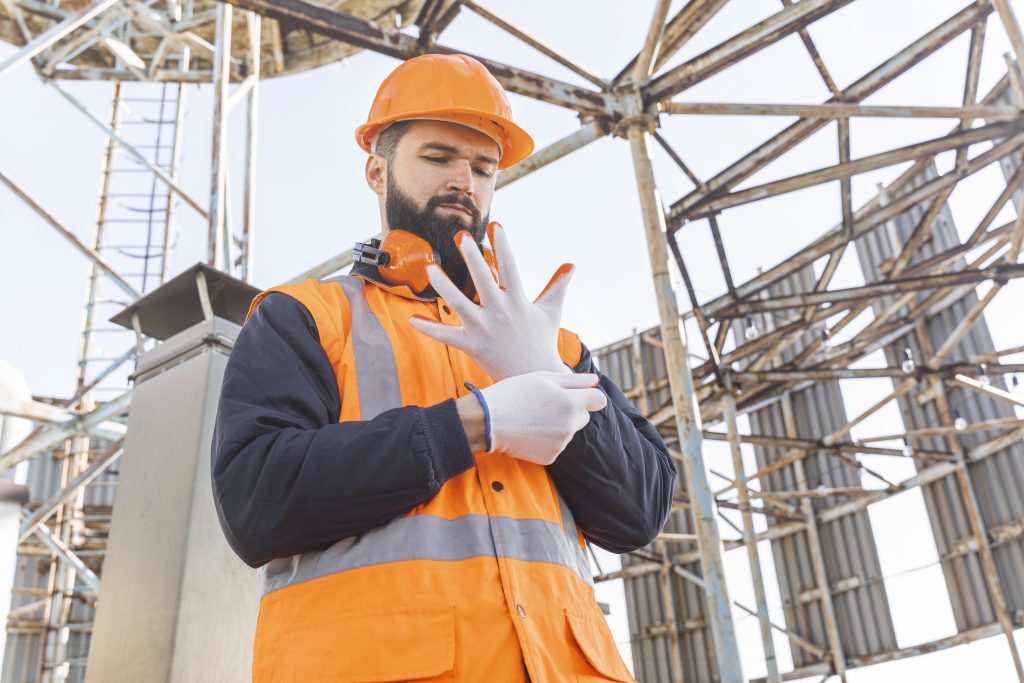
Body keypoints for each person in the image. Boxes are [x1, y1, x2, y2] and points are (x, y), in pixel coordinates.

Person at [211, 53, 676, 682]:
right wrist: (476, 423)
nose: (466, 180)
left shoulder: (552, 345)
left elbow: (640, 512)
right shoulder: (307, 317)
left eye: (484, 168)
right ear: (377, 172)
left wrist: (540, 370)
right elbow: (255, 502)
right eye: (438, 158)